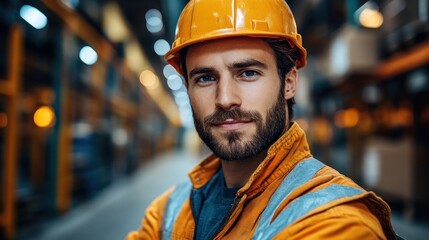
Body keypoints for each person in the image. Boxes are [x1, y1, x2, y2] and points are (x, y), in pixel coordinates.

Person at [127, 0, 398, 239]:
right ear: (188, 88)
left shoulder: (336, 223)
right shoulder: (167, 212)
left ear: (289, 82)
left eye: (247, 73)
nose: (225, 99)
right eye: (205, 78)